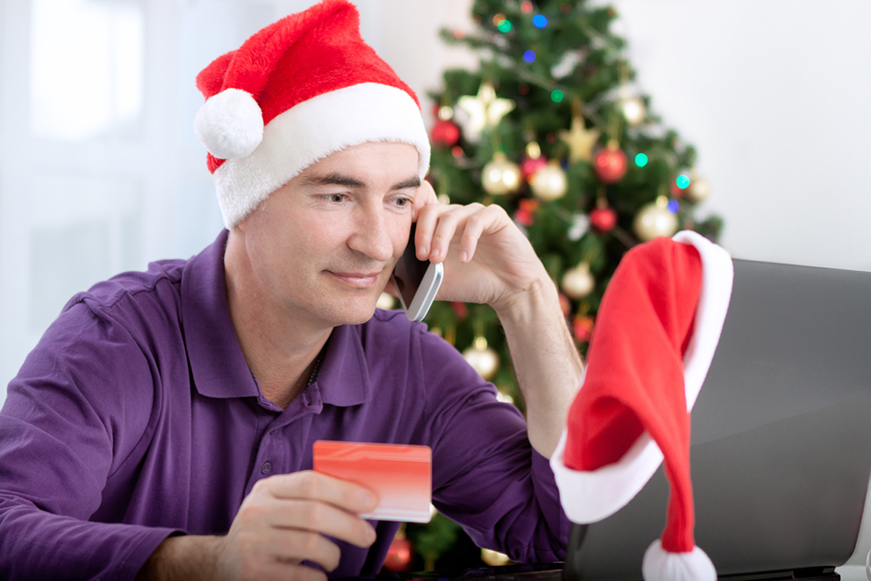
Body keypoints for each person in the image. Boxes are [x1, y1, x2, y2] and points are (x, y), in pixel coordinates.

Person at [0, 1, 583, 579]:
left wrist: (526, 298)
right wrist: (206, 565)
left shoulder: (407, 369)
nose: (380, 245)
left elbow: (562, 535)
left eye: (399, 200)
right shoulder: (117, 340)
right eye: (336, 196)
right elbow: (8, 527)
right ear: (247, 206)